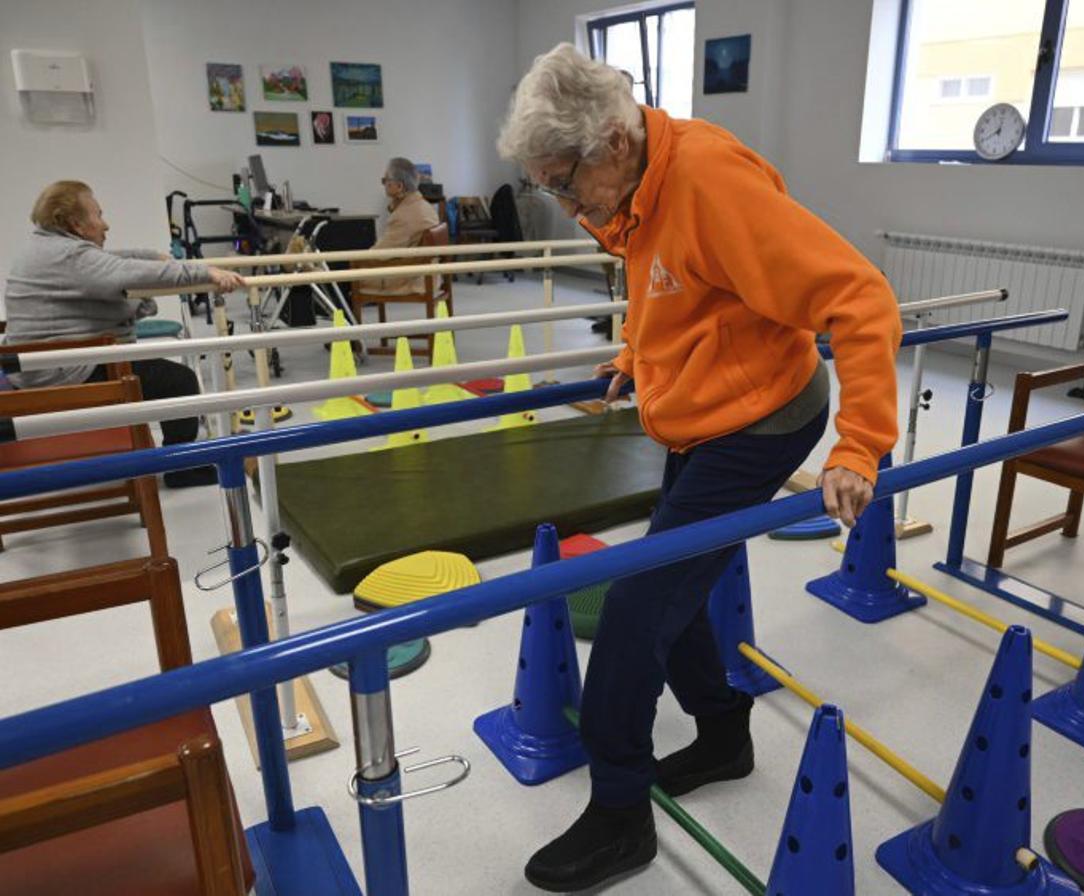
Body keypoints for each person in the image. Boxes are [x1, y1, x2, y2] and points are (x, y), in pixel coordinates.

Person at [497, 43, 902, 892]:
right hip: (702, 413)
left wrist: (860, 444)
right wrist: (640, 359)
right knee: (673, 593)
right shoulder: (636, 180)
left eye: (564, 182)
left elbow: (860, 298)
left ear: (611, 142)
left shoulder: (711, 184)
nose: (566, 206)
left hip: (760, 422)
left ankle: (619, 817)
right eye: (549, 186)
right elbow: (672, 282)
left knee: (636, 608)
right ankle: (724, 734)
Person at [3, 180, 244, 488]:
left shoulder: (48, 247)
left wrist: (155, 256)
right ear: (76, 223)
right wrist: (205, 272)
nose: (106, 224)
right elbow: (122, 271)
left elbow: (113, 260)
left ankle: (178, 461)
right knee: (179, 381)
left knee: (156, 368)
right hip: (58, 375)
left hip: (38, 368)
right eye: (98, 214)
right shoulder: (69, 256)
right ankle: (181, 469)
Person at [361, 157, 440, 294]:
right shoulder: (424, 206)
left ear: (399, 186)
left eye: (385, 181)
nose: (383, 184)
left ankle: (345, 315)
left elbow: (380, 255)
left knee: (347, 275)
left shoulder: (404, 215)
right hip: (429, 275)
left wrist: (356, 261)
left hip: (412, 279)